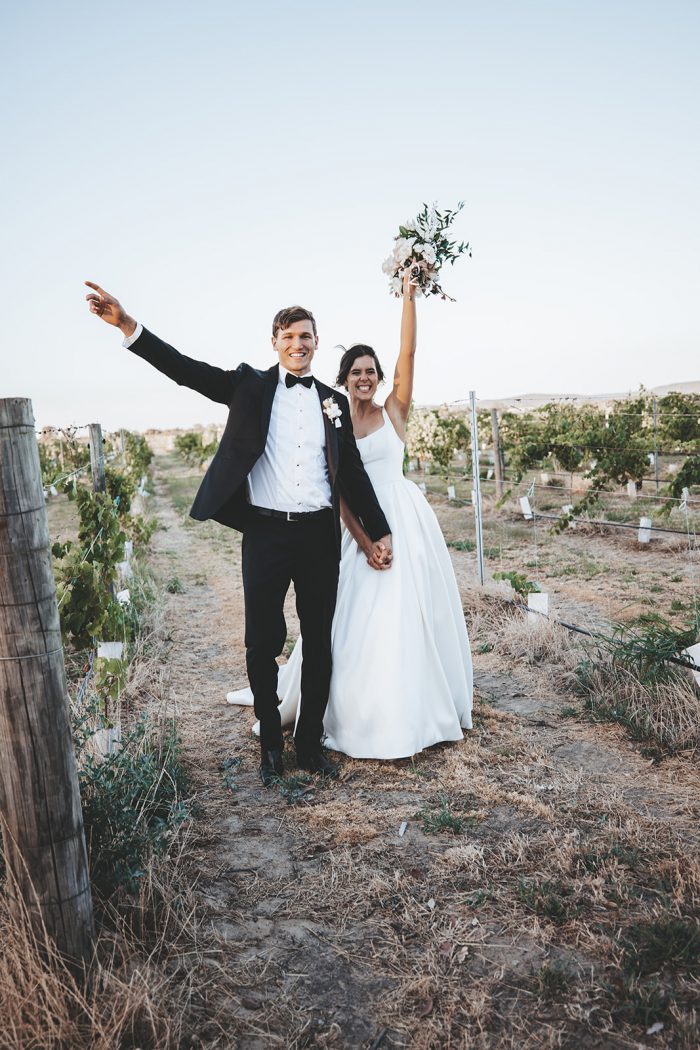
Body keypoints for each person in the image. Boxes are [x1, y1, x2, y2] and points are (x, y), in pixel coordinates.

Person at [84, 281, 392, 785]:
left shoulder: (333, 403)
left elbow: (352, 475)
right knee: (261, 640)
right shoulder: (248, 386)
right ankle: (271, 744)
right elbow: (185, 371)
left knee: (319, 639)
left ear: (316, 343)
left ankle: (309, 743)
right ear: (275, 342)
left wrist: (380, 532)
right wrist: (126, 325)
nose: (299, 343)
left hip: (319, 536)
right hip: (266, 533)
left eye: (307, 336)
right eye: (290, 335)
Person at [228, 270, 473, 758]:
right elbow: (338, 489)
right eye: (356, 371)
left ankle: (410, 706)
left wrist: (408, 296)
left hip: (399, 519)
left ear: (379, 378)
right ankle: (338, 712)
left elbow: (409, 355)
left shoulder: (394, 412)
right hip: (347, 526)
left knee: (406, 615)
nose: (365, 377)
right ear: (343, 378)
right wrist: (362, 540)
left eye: (371, 371)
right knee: (342, 623)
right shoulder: (329, 413)